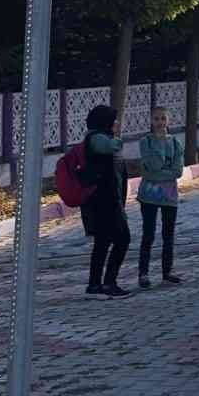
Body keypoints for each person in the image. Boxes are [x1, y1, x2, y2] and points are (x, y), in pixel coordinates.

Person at [81, 105, 133, 298]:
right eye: (113, 119)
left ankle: (96, 285)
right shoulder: (97, 138)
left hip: (109, 200)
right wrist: (117, 139)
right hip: (103, 201)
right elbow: (111, 147)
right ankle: (108, 283)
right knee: (122, 239)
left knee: (103, 242)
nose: (116, 123)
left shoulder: (101, 136)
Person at [136, 106, 185, 288]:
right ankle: (143, 273)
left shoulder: (176, 143)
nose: (160, 122)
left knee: (168, 234)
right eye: (156, 118)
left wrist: (157, 174)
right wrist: (159, 145)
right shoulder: (146, 142)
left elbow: (178, 171)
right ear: (151, 120)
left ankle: (167, 272)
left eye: (163, 118)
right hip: (149, 196)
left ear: (168, 120)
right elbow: (152, 167)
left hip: (169, 196)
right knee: (148, 234)